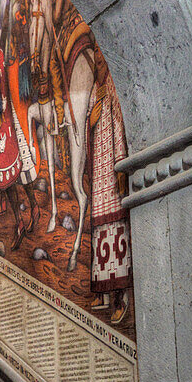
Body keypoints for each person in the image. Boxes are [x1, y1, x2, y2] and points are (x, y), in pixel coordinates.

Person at [87, 47, 132, 325]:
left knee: (116, 234)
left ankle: (119, 297)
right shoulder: (95, 89)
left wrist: (120, 164)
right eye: (96, 58)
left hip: (111, 167)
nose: (98, 62)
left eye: (101, 57)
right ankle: (103, 292)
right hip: (98, 173)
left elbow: (118, 123)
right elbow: (91, 124)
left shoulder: (114, 83)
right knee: (100, 234)